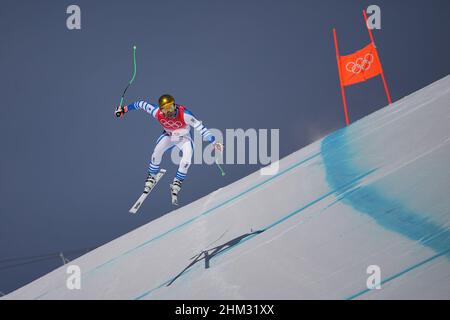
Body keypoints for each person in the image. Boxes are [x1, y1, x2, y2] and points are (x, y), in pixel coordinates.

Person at [115, 94, 223, 204]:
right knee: (157, 151)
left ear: (174, 105)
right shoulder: (157, 112)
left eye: (170, 107)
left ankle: (177, 182)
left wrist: (214, 141)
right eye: (165, 109)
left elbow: (201, 129)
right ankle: (151, 175)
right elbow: (140, 104)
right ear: (161, 110)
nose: (169, 112)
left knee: (187, 157)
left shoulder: (185, 115)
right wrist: (124, 110)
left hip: (184, 138)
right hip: (169, 135)